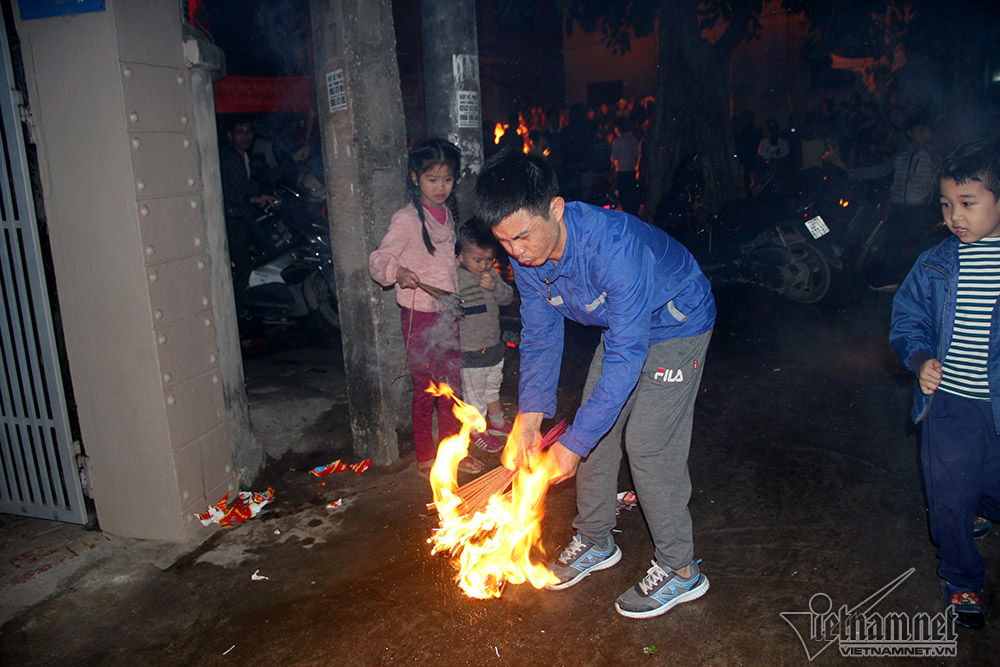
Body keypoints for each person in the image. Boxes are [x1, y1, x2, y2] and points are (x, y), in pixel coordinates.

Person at [472, 151, 716, 619]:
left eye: (522, 235)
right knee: (591, 431)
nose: (517, 253)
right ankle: (596, 539)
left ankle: (681, 570)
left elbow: (627, 356)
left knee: (647, 445)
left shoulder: (615, 247)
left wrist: (575, 444)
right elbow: (541, 335)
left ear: (557, 208)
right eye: (505, 243)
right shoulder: (526, 261)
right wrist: (528, 420)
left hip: (677, 324)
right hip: (624, 328)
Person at [889, 138, 1000, 630]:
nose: (955, 215)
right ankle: (961, 578)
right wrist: (921, 358)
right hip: (949, 402)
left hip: (995, 406)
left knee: (987, 485)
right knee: (949, 495)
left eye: (968, 204)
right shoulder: (936, 262)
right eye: (946, 204)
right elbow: (907, 316)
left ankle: (982, 504)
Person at [369, 139, 483, 476]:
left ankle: (453, 455)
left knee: (451, 390)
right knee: (425, 388)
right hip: (419, 315)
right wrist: (397, 273)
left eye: (447, 179)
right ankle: (425, 457)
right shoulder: (405, 219)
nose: (441, 187)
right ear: (415, 177)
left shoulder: (448, 215)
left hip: (447, 313)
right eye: (432, 179)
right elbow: (379, 259)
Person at [855, 115, 941, 289]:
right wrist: (858, 172)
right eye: (920, 129)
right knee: (893, 244)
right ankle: (891, 280)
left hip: (918, 209)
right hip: (897, 207)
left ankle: (925, 285)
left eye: (927, 130)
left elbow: (943, 175)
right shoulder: (902, 153)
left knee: (919, 247)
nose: (925, 133)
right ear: (910, 133)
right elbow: (883, 169)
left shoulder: (931, 154)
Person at [455, 221, 516, 454]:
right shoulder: (456, 280)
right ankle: (477, 431)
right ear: (460, 257)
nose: (483, 265)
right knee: (475, 397)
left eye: (488, 260)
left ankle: (498, 422)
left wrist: (494, 287)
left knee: (493, 388)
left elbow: (507, 297)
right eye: (476, 260)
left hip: (493, 347)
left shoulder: (491, 275)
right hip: (470, 352)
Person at [219, 117, 277, 317]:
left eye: (249, 131)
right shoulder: (226, 157)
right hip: (234, 218)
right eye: (240, 131)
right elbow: (226, 190)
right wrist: (251, 198)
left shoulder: (246, 157)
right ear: (230, 136)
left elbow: (253, 182)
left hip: (244, 215)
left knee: (270, 248)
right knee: (244, 266)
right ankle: (234, 312)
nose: (246, 136)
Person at [611, 117, 641, 216]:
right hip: (631, 171)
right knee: (631, 195)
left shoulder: (618, 141)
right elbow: (637, 154)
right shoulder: (633, 139)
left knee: (623, 196)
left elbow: (613, 156)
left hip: (622, 172)